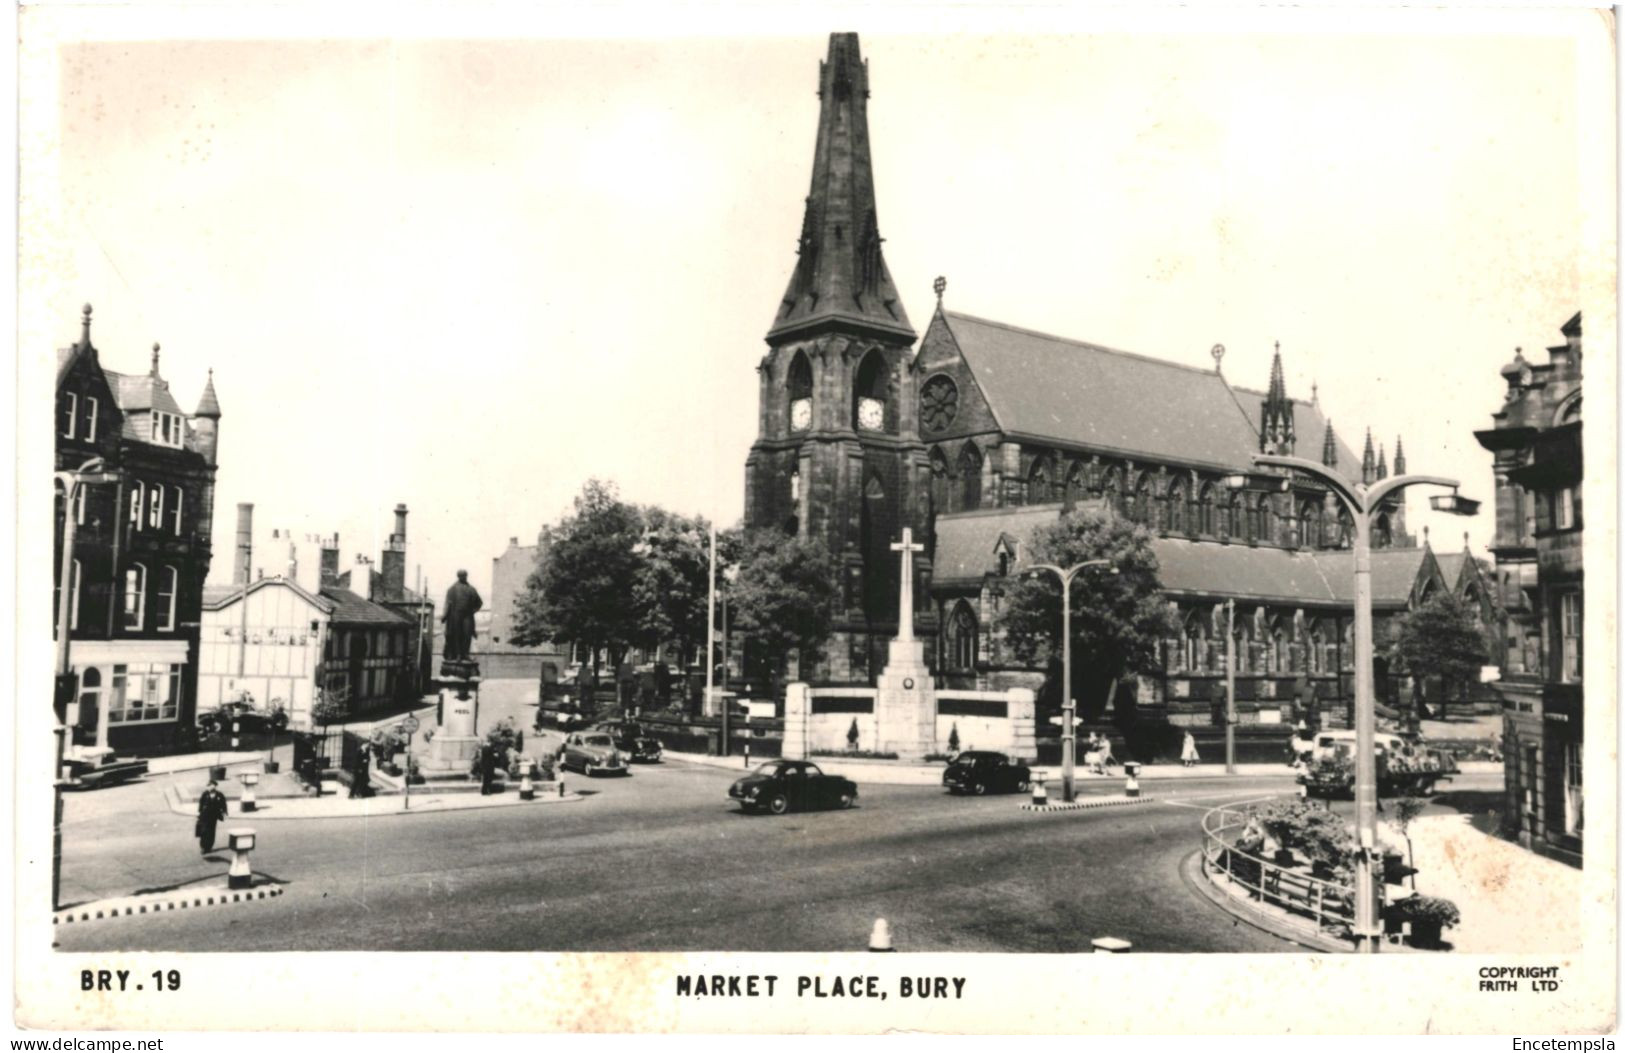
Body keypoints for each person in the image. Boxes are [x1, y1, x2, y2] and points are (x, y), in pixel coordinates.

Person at [441, 570, 484, 663]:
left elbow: (479, 603)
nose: (464, 577)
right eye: (461, 576)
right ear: (458, 577)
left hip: (467, 616)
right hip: (455, 615)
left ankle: (465, 654)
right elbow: (447, 604)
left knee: (467, 634)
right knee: (457, 634)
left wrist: (472, 611)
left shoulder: (471, 589)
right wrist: (444, 616)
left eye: (465, 575)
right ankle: (458, 654)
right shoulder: (452, 589)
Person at [196, 781, 229, 854]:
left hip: (213, 817)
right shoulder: (205, 794)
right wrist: (199, 812)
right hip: (205, 816)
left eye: (212, 785)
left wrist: (225, 812)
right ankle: (203, 847)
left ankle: (209, 846)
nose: (210, 787)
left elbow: (223, 804)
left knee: (211, 832)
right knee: (204, 832)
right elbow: (201, 803)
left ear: (215, 786)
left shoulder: (219, 795)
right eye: (209, 785)